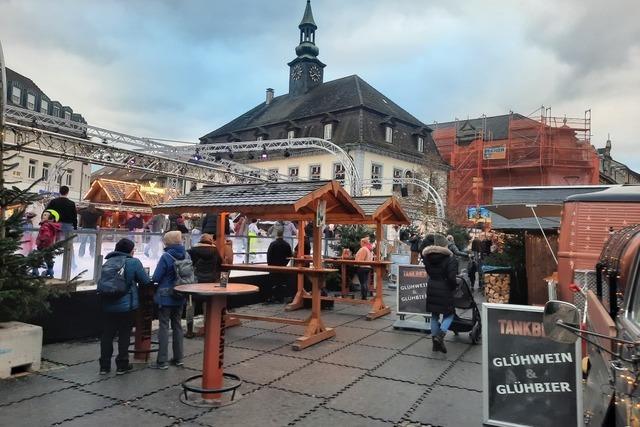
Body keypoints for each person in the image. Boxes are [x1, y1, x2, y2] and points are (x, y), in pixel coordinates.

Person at [98, 238, 151, 375]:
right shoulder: (133, 262)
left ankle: (104, 366)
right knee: (124, 335)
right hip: (126, 306)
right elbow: (145, 281)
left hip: (108, 305)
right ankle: (122, 364)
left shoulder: (108, 261)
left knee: (107, 335)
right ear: (130, 250)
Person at [151, 231, 188, 369]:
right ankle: (178, 358)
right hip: (180, 294)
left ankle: (162, 361)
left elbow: (156, 277)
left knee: (164, 327)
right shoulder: (186, 254)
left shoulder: (166, 256)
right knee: (177, 326)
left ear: (168, 242)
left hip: (166, 297)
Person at [422, 233, 459, 354]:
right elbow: (452, 278)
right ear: (445, 245)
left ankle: (435, 343)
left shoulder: (427, 257)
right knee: (450, 314)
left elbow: (429, 271)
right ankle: (440, 336)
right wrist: (454, 287)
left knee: (434, 315)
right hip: (445, 288)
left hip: (432, 286)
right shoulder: (450, 258)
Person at [45, 186, 77, 268]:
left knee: (53, 245)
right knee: (69, 246)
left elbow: (47, 212)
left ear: (59, 192)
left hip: (56, 226)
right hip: (68, 227)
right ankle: (71, 264)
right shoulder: (71, 203)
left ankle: (50, 265)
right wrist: (75, 227)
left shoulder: (53, 202)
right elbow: (74, 217)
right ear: (67, 192)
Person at [266, 229, 293, 303]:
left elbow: (269, 255)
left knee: (274, 282)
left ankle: (274, 297)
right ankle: (281, 297)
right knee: (281, 282)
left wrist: (270, 265)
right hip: (282, 267)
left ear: (277, 234)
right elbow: (290, 256)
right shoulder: (286, 244)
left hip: (273, 267)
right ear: (283, 235)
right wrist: (284, 263)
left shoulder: (273, 244)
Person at [33, 209, 62, 277]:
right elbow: (57, 236)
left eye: (45, 215)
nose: (43, 216)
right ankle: (50, 272)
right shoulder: (53, 226)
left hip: (42, 246)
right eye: (43, 215)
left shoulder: (45, 225)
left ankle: (35, 272)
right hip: (50, 245)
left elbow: (46, 236)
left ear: (51, 217)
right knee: (48, 259)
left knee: (36, 258)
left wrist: (42, 243)